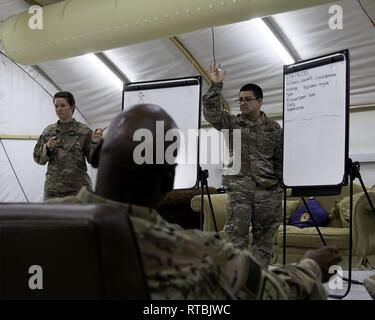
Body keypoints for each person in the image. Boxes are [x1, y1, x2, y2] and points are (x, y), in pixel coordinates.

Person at [50, 103, 341, 300]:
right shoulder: (200, 254)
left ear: (97, 157)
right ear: (167, 182)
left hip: (266, 193)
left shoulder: (28, 224)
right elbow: (274, 293)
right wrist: (310, 267)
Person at [203, 63, 283, 267]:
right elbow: (211, 114)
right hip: (240, 192)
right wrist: (216, 85)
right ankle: (236, 284)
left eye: (248, 99)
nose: (243, 103)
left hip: (267, 193)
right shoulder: (232, 123)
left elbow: (279, 160)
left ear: (260, 101)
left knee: (264, 242)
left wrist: (279, 189)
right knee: (235, 240)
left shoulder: (274, 128)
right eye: (240, 100)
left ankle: (258, 283)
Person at [33, 91, 104, 200]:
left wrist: (94, 142)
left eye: (62, 105)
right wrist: (47, 147)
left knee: (79, 217)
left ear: (72, 107)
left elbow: (93, 160)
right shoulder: (49, 131)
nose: (58, 109)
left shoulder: (84, 131)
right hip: (53, 191)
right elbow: (38, 159)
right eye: (56, 106)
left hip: (78, 190)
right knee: (50, 217)